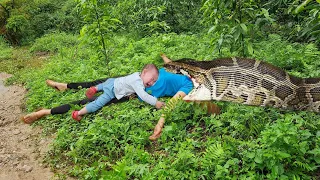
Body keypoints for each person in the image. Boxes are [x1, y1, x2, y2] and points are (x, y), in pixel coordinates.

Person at [22, 54, 219, 140]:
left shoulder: (187, 86)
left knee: (92, 100)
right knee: (96, 84)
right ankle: (64, 86)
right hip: (134, 81)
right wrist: (165, 58)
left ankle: (46, 112)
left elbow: (170, 104)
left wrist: (160, 122)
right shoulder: (188, 74)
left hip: (132, 90)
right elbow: (172, 65)